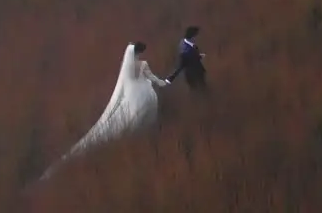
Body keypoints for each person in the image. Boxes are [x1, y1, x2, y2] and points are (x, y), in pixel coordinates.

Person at [39, 42, 169, 181]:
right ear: (141, 52)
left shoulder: (128, 66)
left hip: (132, 94)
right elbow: (152, 77)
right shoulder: (143, 64)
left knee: (127, 119)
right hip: (143, 93)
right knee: (140, 117)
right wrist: (163, 82)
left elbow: (124, 84)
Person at [165, 26, 207, 91]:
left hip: (196, 72)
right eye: (196, 36)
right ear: (193, 37)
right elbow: (180, 65)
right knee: (199, 92)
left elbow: (190, 58)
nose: (197, 38)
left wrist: (199, 56)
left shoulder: (184, 42)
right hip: (194, 75)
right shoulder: (186, 51)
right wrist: (170, 78)